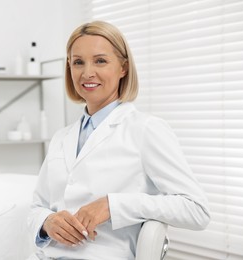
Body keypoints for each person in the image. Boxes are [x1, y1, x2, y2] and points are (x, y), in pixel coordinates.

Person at [27, 21, 210, 260]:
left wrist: (112, 206)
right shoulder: (61, 137)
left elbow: (197, 210)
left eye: (100, 61)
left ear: (123, 68)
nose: (87, 73)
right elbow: (36, 207)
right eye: (78, 62)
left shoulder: (145, 129)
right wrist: (46, 222)